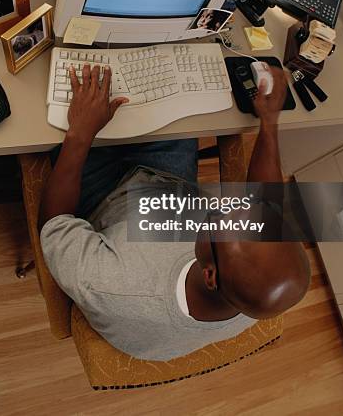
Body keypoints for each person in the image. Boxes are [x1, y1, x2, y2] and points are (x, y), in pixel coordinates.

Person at [39, 64, 310, 361]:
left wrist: (81, 133)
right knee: (165, 89)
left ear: (210, 274)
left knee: (57, 108)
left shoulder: (112, 285)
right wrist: (270, 122)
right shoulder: (255, 293)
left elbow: (55, 224)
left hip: (101, 201)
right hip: (166, 183)